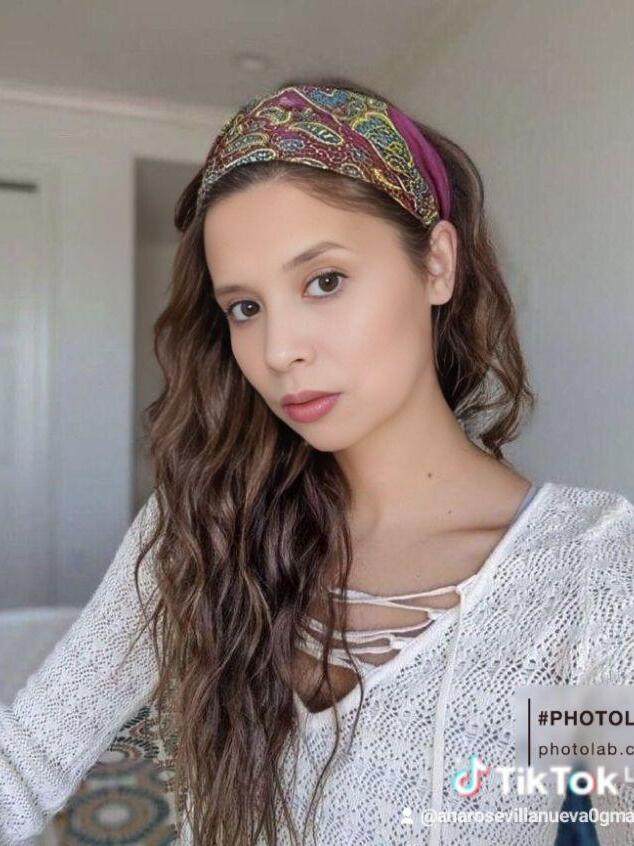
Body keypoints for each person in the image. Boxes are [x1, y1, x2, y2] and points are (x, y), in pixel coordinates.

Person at [1, 77, 633, 846]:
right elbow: (23, 762)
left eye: (324, 281)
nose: (278, 350)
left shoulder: (594, 569)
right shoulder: (205, 524)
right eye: (245, 307)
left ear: (437, 264)